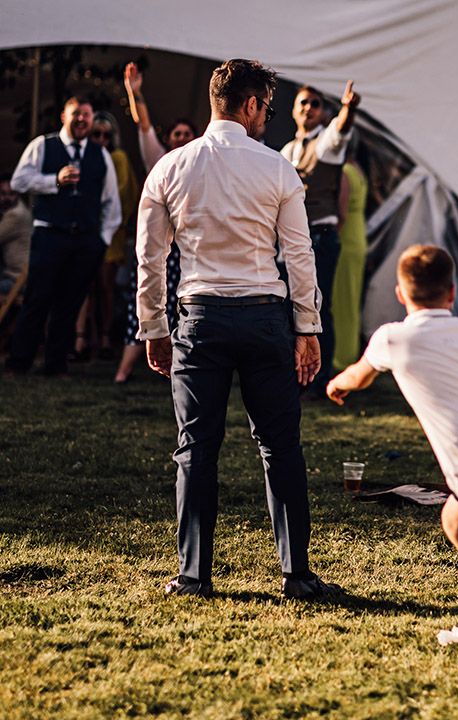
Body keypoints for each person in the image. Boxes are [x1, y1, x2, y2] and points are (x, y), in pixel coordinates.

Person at [136, 57, 343, 600]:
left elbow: (150, 259)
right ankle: (295, 574)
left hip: (199, 319)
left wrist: (153, 327)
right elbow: (299, 256)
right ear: (250, 105)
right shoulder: (277, 168)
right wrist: (309, 328)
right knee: (281, 447)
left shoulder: (170, 168)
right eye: (267, 108)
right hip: (263, 319)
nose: (267, 118)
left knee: (195, 446)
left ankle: (192, 576)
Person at [326, 245, 458, 669]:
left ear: (399, 293)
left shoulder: (392, 338)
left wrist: (337, 385)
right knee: (456, 521)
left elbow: (360, 374)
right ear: (452, 293)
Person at [5, 96, 121, 376]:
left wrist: (101, 240)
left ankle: (55, 364)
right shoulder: (43, 145)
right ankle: (19, 361)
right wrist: (52, 181)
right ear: (63, 117)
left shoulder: (100, 154)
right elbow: (19, 181)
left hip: (85, 240)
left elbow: (111, 203)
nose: (81, 119)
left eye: (86, 115)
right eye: (76, 114)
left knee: (70, 302)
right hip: (49, 235)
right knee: (37, 298)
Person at [114, 63, 197, 384]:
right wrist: (134, 93)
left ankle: (179, 369)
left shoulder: (202, 164)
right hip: (158, 245)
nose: (181, 139)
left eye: (187, 135)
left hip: (188, 249)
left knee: (184, 307)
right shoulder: (159, 160)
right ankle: (124, 370)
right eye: (176, 134)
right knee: (149, 301)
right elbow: (144, 125)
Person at [281, 81, 361, 397]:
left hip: (321, 236)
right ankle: (297, 375)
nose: (308, 109)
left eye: (314, 104)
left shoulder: (327, 144)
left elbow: (340, 132)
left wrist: (348, 109)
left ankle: (319, 380)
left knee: (318, 306)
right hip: (294, 238)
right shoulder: (287, 150)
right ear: (293, 109)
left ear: (323, 111)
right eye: (303, 103)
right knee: (293, 306)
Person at [73, 111, 139, 360]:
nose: (101, 139)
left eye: (105, 135)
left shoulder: (117, 157)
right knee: (86, 287)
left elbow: (123, 194)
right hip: (87, 231)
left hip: (111, 232)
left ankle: (105, 338)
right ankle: (83, 339)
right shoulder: (86, 157)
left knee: (105, 286)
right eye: (95, 134)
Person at [331, 133, 368, 369]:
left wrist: (334, 236)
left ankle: (341, 357)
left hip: (346, 237)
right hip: (358, 235)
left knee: (341, 300)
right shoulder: (359, 170)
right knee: (352, 300)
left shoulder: (344, 171)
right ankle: (350, 353)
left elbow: (341, 212)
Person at [0, 174, 32, 297]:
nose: (7, 198)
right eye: (3, 194)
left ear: (18, 194)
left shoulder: (16, 215)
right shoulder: (12, 211)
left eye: (11, 194)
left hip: (17, 279)